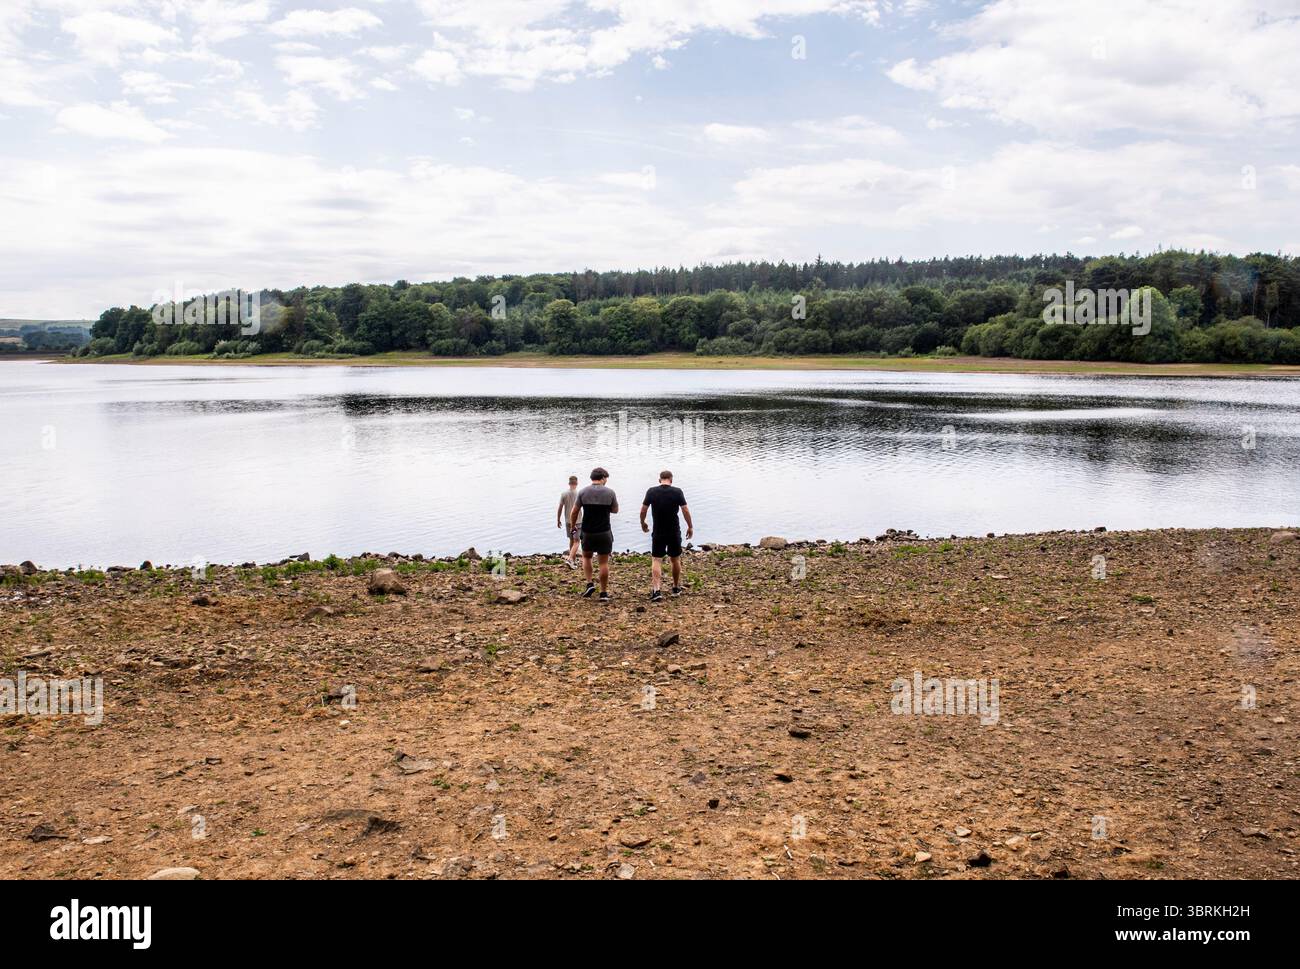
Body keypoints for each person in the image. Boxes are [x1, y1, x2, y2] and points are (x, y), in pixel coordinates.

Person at [640, 470, 693, 602]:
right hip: (674, 530)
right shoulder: (677, 492)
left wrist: (643, 523)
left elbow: (643, 510)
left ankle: (656, 590)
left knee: (656, 559)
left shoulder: (651, 491)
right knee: (675, 559)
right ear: (671, 480)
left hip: (658, 531)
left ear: (660, 480)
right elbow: (685, 510)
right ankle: (675, 587)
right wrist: (690, 526)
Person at [572, 467, 618, 602]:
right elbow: (615, 510)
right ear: (603, 478)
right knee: (603, 562)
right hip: (604, 531)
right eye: (606, 479)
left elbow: (574, 511)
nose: (606, 481)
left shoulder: (583, 492)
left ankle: (590, 583)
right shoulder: (610, 492)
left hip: (588, 531)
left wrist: (574, 526)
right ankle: (603, 593)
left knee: (586, 557)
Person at [556, 475, 582, 568]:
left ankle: (573, 560)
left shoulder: (564, 494)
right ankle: (571, 560)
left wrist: (558, 519)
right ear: (577, 483)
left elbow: (560, 508)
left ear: (569, 483)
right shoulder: (579, 494)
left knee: (571, 540)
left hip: (568, 522)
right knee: (577, 541)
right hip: (577, 522)